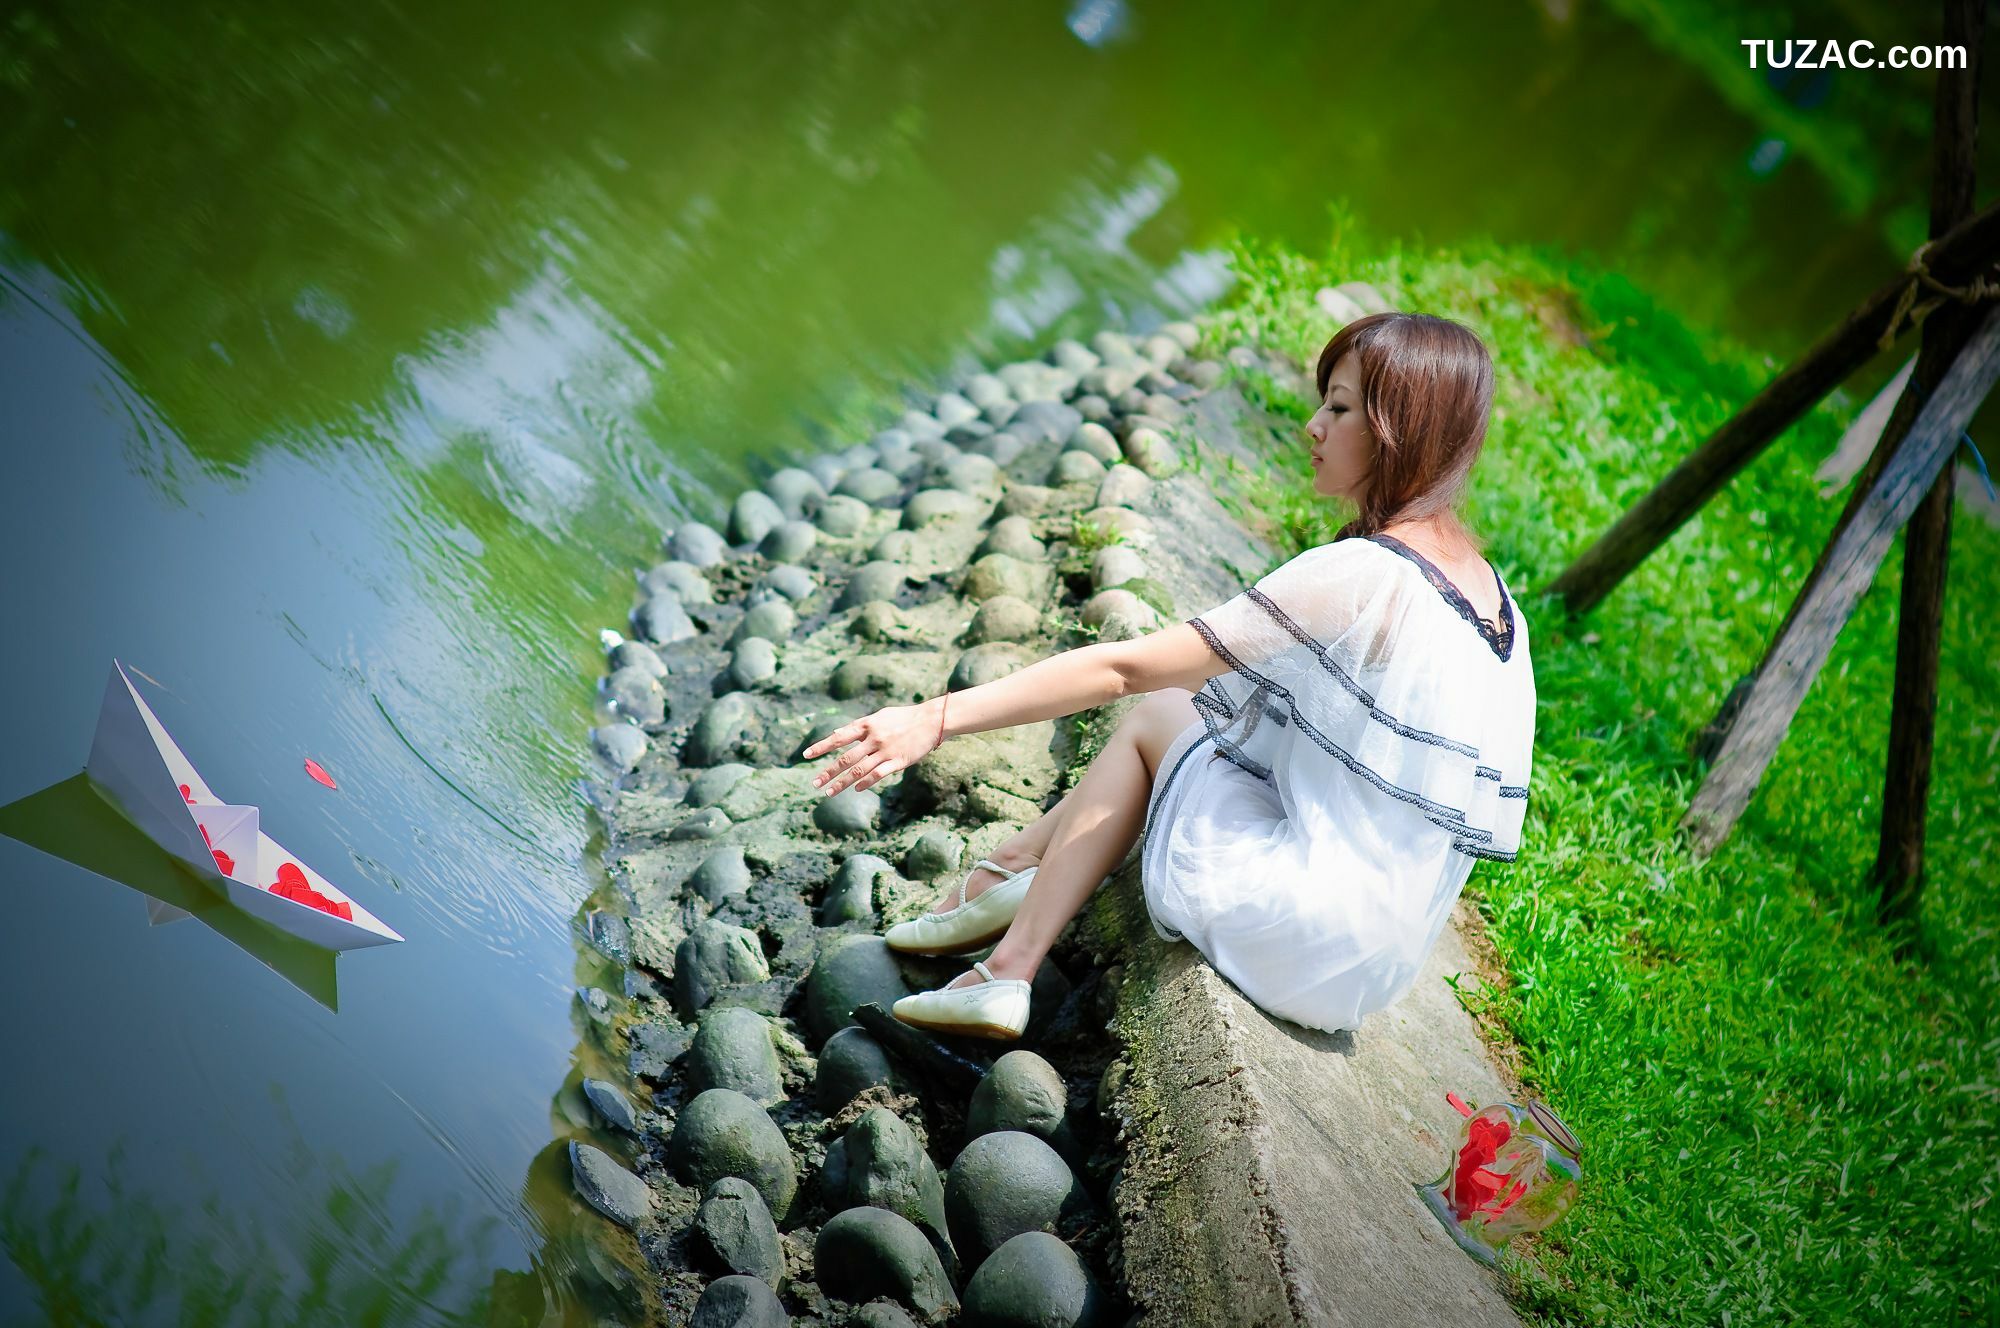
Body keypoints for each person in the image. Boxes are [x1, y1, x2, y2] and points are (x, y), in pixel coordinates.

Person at [802, 311, 1535, 1040]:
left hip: (1292, 929)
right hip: (1369, 973)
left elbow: (1126, 667)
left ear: (1397, 429)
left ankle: (1008, 966)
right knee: (1191, 717)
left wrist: (933, 719)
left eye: (1339, 409)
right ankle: (1010, 872)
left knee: (1155, 713)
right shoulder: (1496, 607)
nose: (1312, 426)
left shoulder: (1370, 574)